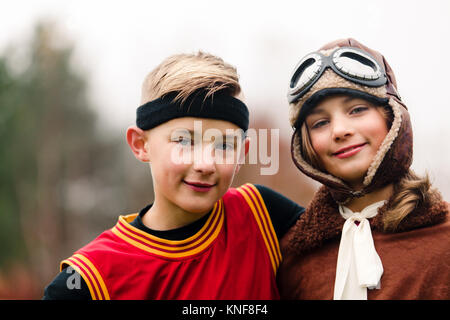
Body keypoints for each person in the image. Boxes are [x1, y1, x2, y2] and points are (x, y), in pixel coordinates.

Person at [43, 51, 304, 300]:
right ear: (140, 144)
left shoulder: (262, 216)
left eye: (224, 145)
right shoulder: (88, 280)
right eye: (184, 141)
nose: (205, 164)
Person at [277, 38, 450, 299]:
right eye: (320, 122)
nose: (339, 130)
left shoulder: (444, 239)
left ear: (392, 118)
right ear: (306, 144)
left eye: (357, 110)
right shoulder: (291, 255)